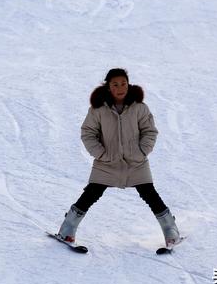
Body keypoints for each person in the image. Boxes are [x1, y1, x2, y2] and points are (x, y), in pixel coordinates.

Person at [57, 68, 181, 248]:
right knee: (91, 194)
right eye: (115, 84)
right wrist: (101, 154)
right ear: (108, 87)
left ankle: (171, 231)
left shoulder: (139, 108)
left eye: (123, 83)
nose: (120, 87)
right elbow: (88, 132)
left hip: (135, 162)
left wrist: (142, 151)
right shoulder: (98, 109)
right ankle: (67, 231)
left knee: (150, 194)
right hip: (107, 162)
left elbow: (149, 131)